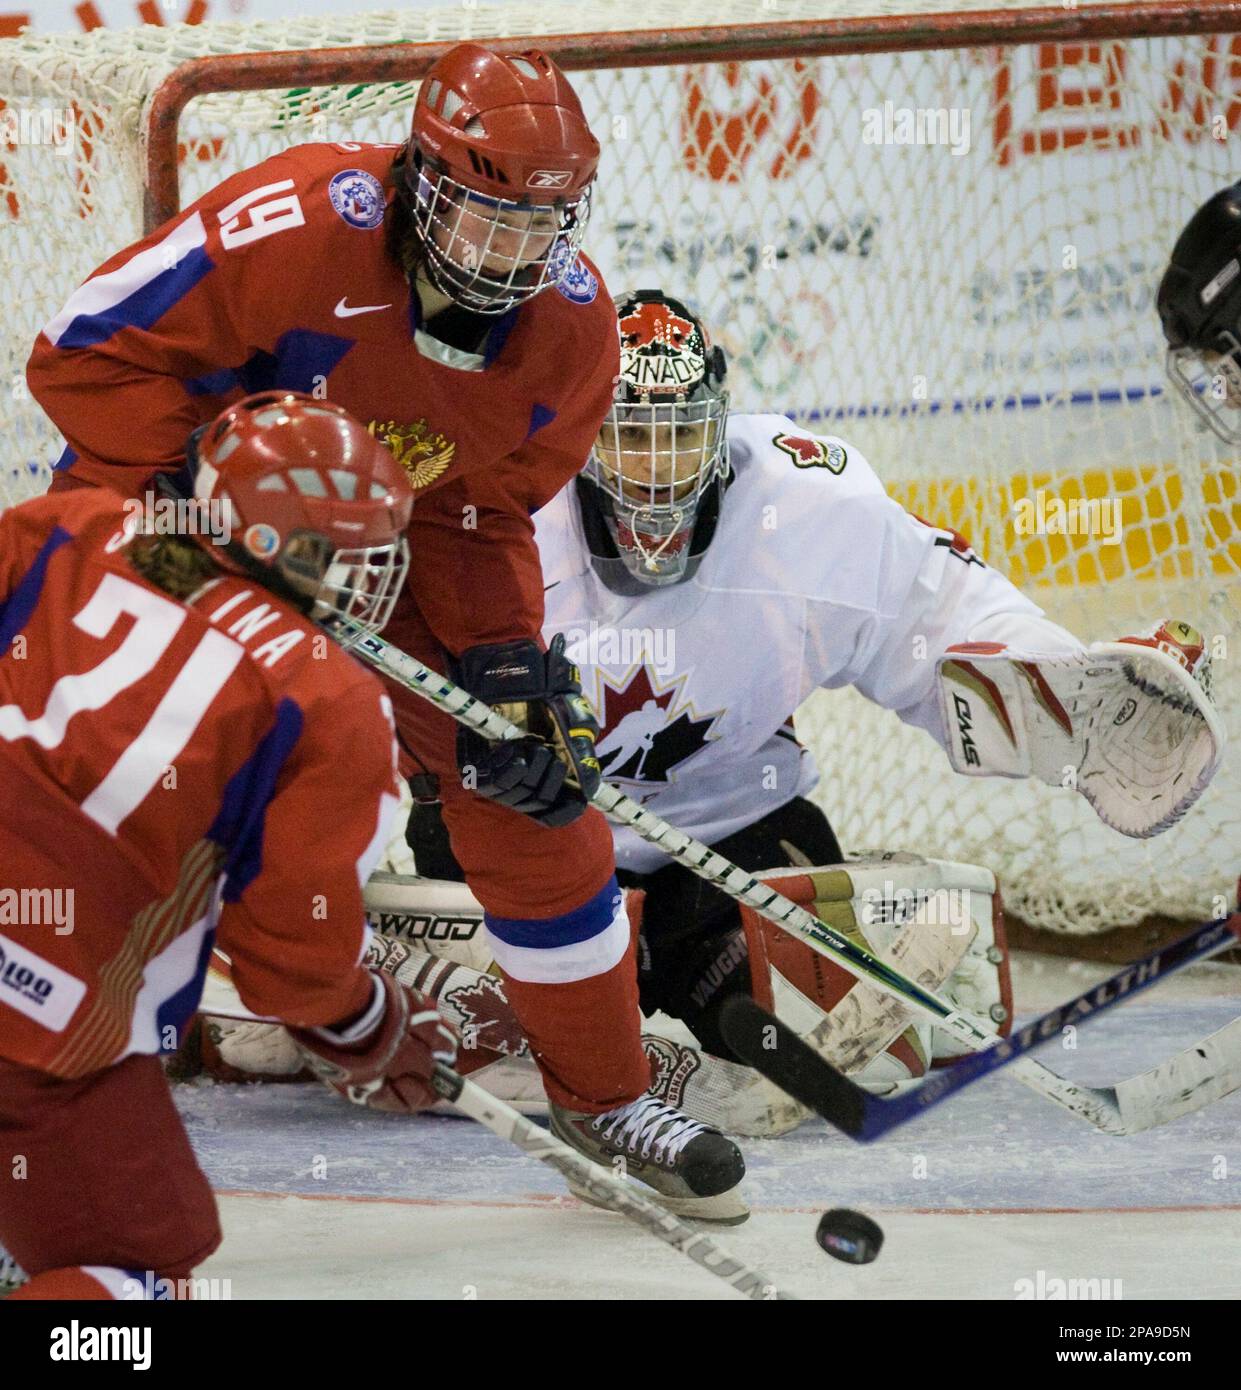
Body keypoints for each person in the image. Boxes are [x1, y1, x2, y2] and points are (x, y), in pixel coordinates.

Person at [25, 46, 745, 1221]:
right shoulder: (291, 224)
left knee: (529, 779)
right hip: (172, 516)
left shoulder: (570, 335)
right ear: (420, 178)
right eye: (486, 218)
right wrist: (197, 509)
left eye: (542, 225)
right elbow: (81, 349)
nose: (511, 259)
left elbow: (482, 504)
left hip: (378, 546)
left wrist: (505, 655)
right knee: (123, 794)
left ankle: (603, 1097)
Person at [401, 288, 1222, 1077]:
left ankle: (701, 1009)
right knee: (471, 1035)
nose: (655, 472)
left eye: (681, 435)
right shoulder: (498, 505)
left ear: (721, 429)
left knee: (797, 1015)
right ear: (578, 430)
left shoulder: (803, 506)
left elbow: (936, 610)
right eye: (627, 436)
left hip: (732, 825)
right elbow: (384, 675)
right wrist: (457, 767)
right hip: (523, 828)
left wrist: (1063, 690)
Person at [0, 392, 458, 1300]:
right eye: (341, 553)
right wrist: (364, 1021)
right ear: (277, 547)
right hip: (39, 995)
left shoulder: (79, 524)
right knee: (133, 1271)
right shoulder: (331, 699)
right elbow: (291, 951)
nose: (360, 580)